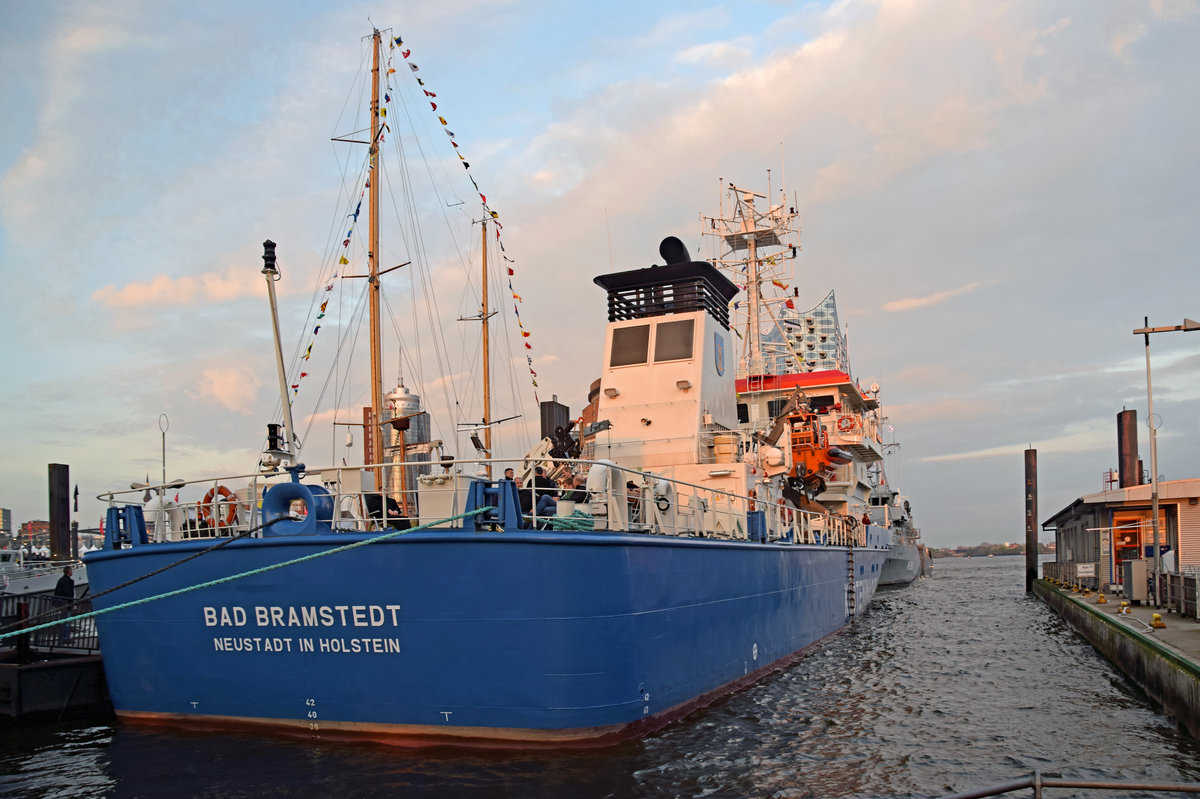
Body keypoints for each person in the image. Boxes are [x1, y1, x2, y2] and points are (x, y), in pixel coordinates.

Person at [55, 565, 74, 644]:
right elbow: (68, 593)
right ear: (69, 572)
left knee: (64, 621)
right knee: (67, 621)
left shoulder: (61, 580)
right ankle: (65, 638)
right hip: (66, 604)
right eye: (71, 570)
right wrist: (72, 603)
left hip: (62, 603)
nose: (72, 572)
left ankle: (62, 638)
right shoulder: (67, 581)